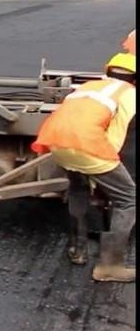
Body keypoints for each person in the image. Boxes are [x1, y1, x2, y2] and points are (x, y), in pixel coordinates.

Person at [32, 53, 136, 282]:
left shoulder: (88, 86)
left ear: (108, 72)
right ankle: (110, 267)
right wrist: (107, 169)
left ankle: (77, 250)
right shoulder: (130, 95)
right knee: (128, 198)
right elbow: (115, 137)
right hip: (86, 145)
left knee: (78, 189)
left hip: (55, 142)